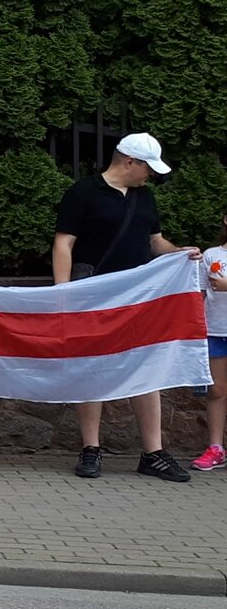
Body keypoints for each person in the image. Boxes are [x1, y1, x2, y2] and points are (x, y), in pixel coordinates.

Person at [54, 134, 198, 482]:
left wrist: (179, 252)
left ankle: (153, 453)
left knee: (146, 367)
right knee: (92, 367)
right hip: (93, 296)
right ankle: (90, 448)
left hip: (138, 297)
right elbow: (64, 243)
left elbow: (155, 241)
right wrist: (62, 294)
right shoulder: (83, 192)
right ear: (129, 162)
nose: (152, 175)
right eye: (149, 167)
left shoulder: (144, 197)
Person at [196, 213, 227, 473]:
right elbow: (199, 293)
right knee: (216, 391)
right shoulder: (211, 255)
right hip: (215, 330)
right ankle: (216, 447)